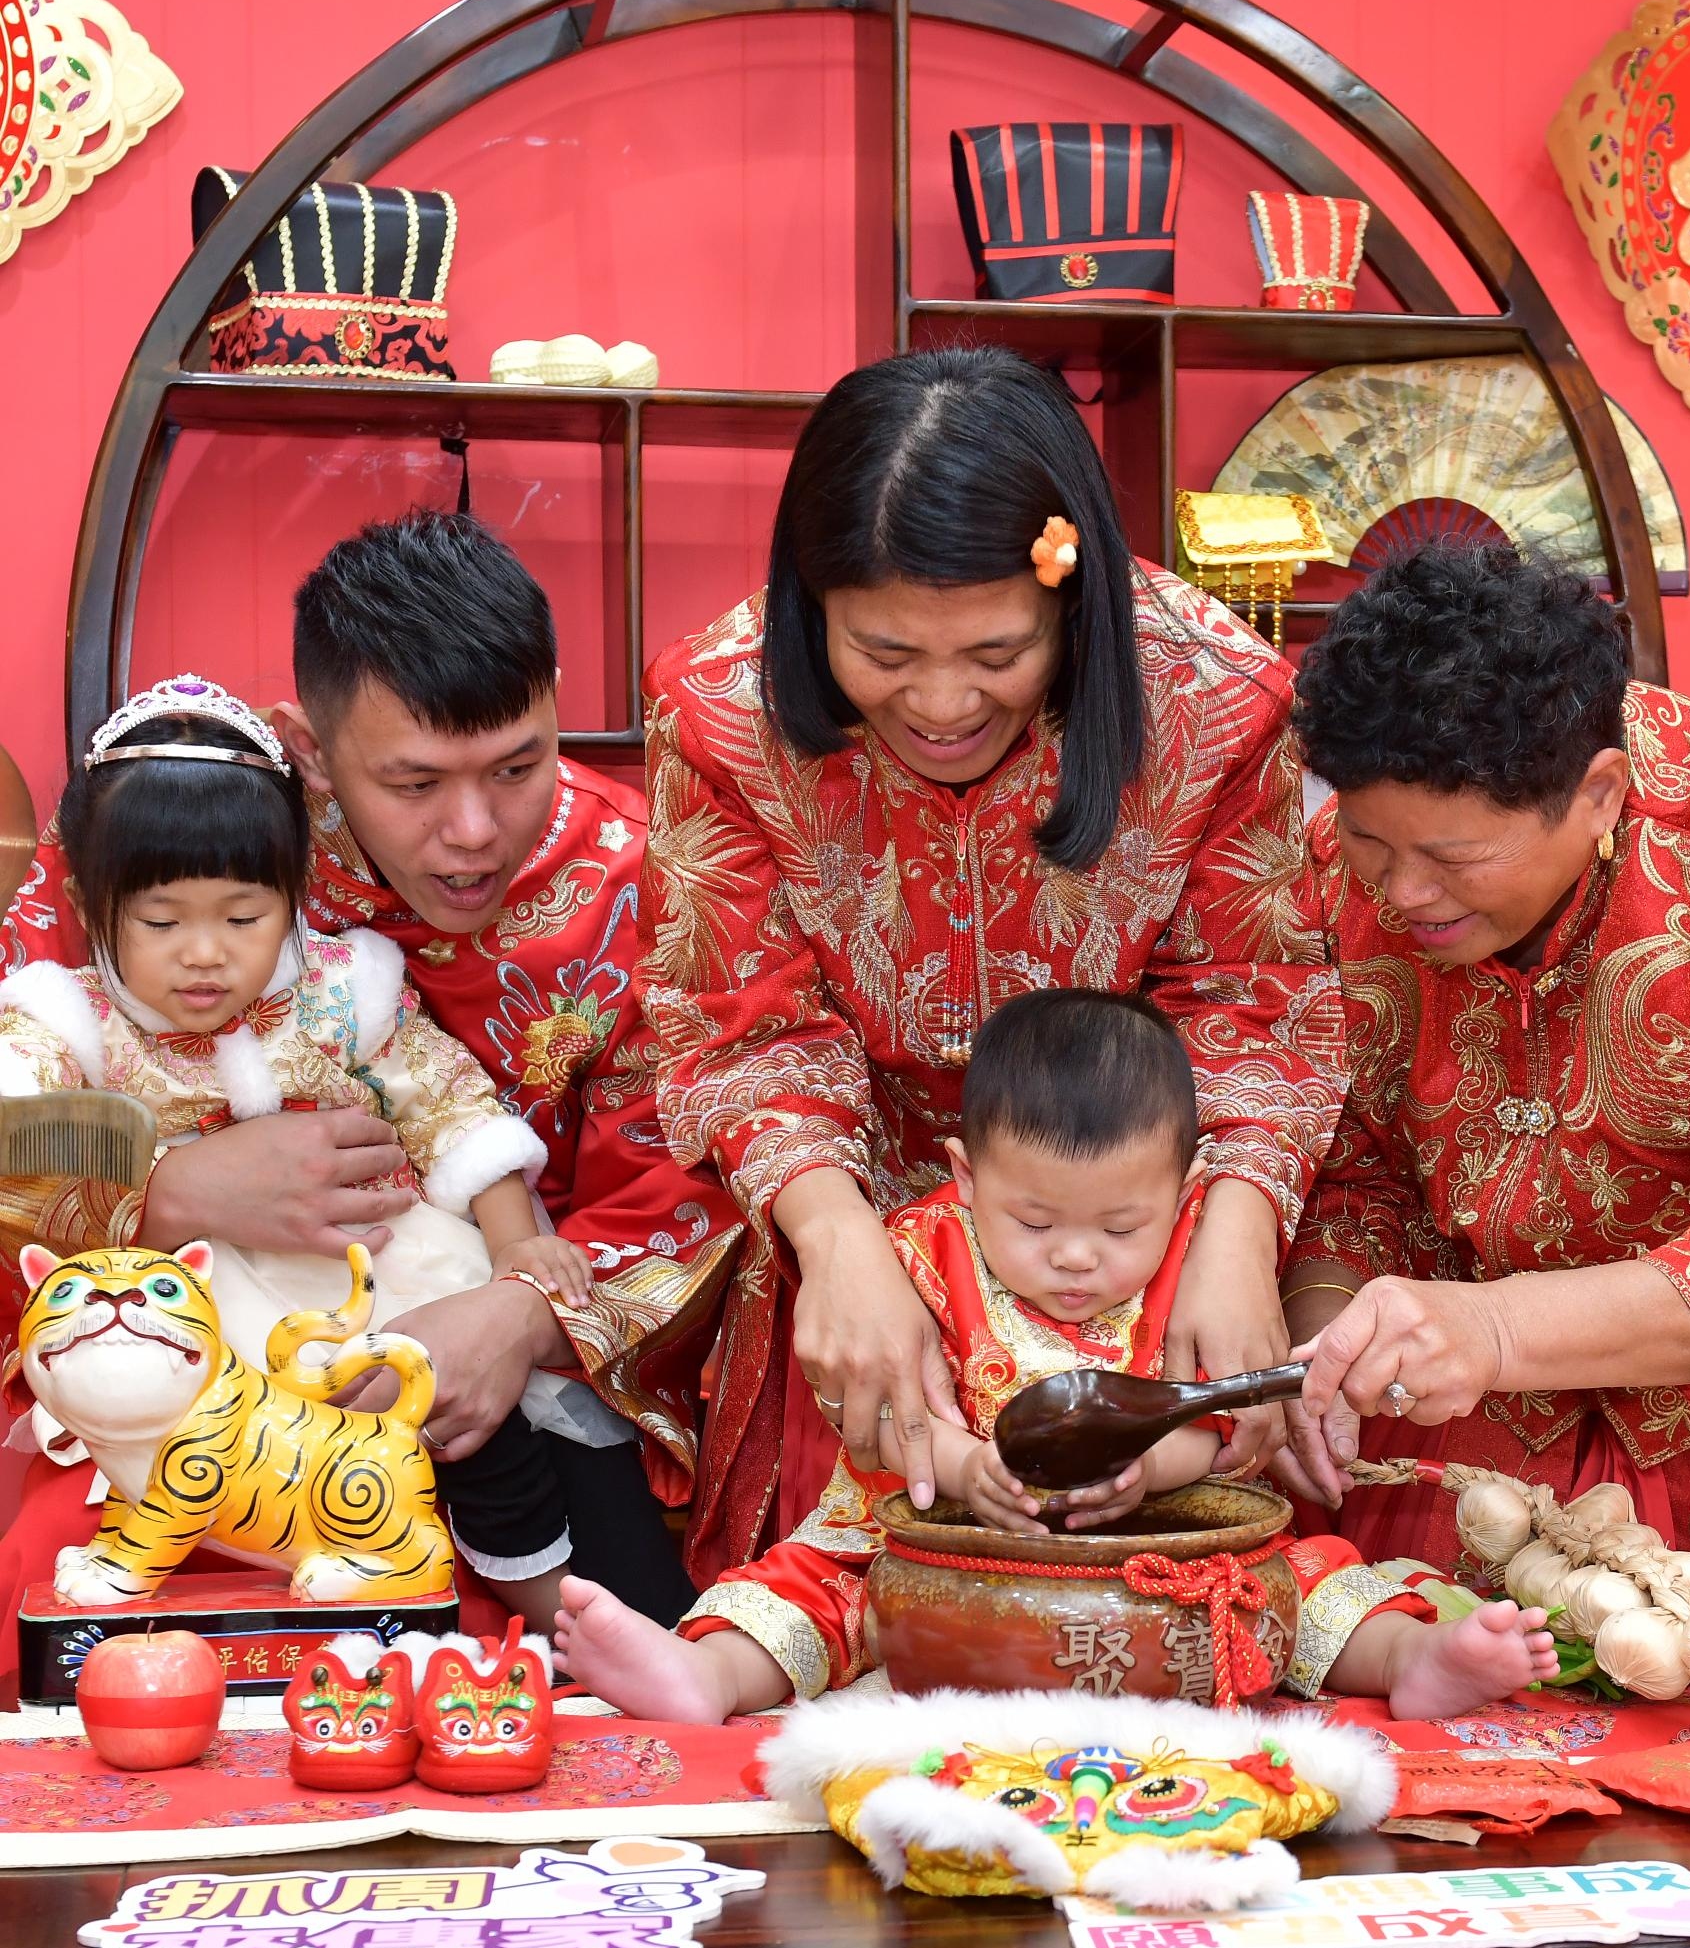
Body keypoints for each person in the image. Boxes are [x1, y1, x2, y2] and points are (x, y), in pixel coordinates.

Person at [639, 345, 1346, 1581]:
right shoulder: (718, 711)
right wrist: (846, 1250)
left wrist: (1232, 1235)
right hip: (859, 1249)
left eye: (998, 653)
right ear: (813, 605)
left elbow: (1253, 1002)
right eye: (887, 653)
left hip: (1133, 1246)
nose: (945, 703)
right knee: (850, 1641)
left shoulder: (1214, 698)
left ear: (1074, 603)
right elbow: (744, 1023)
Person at [2, 513, 741, 1621]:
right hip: (180, 1349)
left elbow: (687, 1180)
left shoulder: (645, 888)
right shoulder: (165, 828)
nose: (474, 829)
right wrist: (161, 1196)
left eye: (517, 764)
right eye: (414, 783)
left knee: (619, 1608)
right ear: (308, 745)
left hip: (499, 1359)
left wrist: (515, 1316)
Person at [555, 990, 1553, 1721]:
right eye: (1030, 1220)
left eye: (1122, 1226)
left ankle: (1417, 1660)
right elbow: (877, 1410)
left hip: (1157, 1543)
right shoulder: (919, 1252)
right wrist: (959, 1466)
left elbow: (1223, 1427)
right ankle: (705, 1677)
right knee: (815, 1586)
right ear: (965, 1174)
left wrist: (1150, 1465)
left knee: (1292, 1581)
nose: (1076, 1259)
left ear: (1187, 1189)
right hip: (936, 1538)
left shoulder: (1205, 1259)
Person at [0, 679, 598, 1628]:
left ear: (294, 893)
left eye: (243, 918)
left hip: (382, 1272)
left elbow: (448, 1102)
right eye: (162, 923)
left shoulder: (339, 995)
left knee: (473, 1426)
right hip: (208, 1305)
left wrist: (515, 1243)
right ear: (88, 900)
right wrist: (157, 1181)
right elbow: (16, 1136)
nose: (205, 955)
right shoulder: (72, 1021)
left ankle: (563, 1618)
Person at [1276, 541, 1690, 1566]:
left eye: (1454, 858)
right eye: (1367, 840)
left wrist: (1493, 1332)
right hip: (1440, 1449)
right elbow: (1350, 1170)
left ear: (1601, 795)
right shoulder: (1332, 876)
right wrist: (1326, 1344)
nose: (1399, 895)